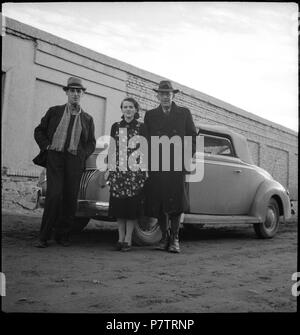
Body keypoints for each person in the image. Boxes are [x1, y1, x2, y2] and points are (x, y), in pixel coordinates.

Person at [33, 77, 96, 247]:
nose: (75, 94)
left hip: (75, 161)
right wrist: (46, 146)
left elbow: (91, 142)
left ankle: (63, 236)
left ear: (82, 94)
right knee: (53, 196)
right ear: (67, 92)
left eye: (79, 91)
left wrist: (83, 154)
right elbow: (39, 131)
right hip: (55, 158)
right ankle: (44, 236)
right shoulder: (54, 111)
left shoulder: (88, 119)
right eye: (72, 91)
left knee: (70, 198)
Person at [144, 80, 197, 253]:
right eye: (162, 94)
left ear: (173, 95)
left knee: (176, 202)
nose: (165, 97)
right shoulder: (150, 115)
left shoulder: (183, 113)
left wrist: (186, 159)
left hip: (176, 164)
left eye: (168, 94)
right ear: (157, 96)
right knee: (160, 202)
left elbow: (192, 137)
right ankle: (164, 237)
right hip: (157, 164)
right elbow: (145, 140)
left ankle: (174, 239)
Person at [106, 97, 147, 251]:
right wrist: (109, 170)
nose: (128, 109)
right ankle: (120, 237)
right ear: (122, 109)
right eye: (125, 107)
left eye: (131, 107)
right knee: (119, 206)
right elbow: (112, 148)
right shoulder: (115, 126)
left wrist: (145, 170)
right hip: (118, 172)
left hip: (135, 173)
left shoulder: (142, 127)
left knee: (131, 207)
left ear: (136, 110)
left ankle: (128, 239)